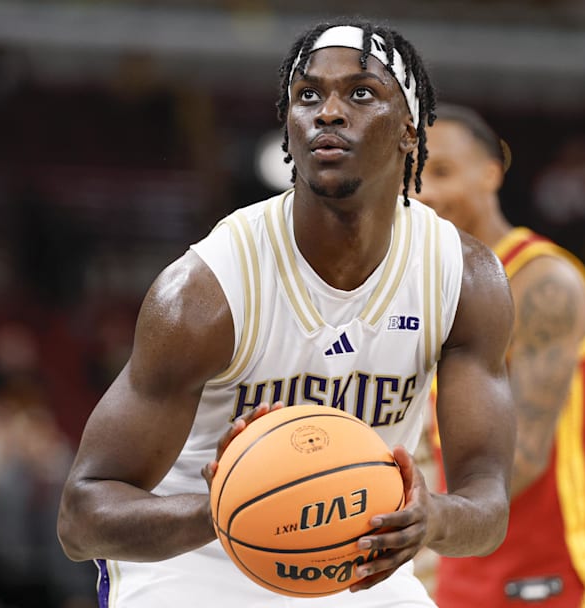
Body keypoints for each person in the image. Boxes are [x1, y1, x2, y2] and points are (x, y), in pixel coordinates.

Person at [57, 19, 518, 607]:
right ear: (289, 128)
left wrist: (432, 520)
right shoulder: (207, 291)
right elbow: (81, 516)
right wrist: (231, 508)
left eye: (360, 93)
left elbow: (488, 506)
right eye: (307, 95)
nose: (327, 112)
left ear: (409, 129)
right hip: (197, 560)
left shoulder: (466, 279)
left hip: (354, 553)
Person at [416, 104, 585, 607]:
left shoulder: (543, 281)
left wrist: (377, 500)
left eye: (442, 171)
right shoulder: (416, 288)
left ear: (490, 174)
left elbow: (522, 457)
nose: (425, 191)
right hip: (451, 572)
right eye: (411, 174)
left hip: (542, 574)